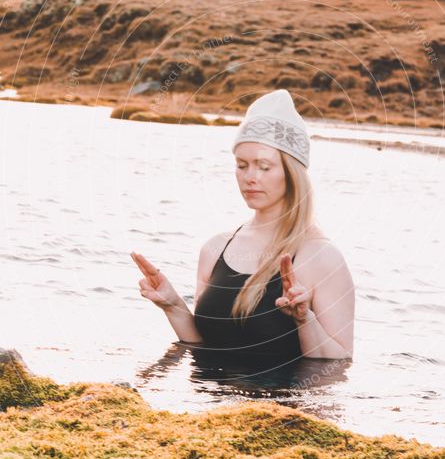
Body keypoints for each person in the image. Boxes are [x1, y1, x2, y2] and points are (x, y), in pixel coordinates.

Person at [131, 89, 355, 360]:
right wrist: (172, 305)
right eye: (242, 165)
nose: (250, 177)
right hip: (206, 402)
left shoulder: (321, 257)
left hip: (277, 402)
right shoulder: (215, 249)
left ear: (292, 173)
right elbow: (204, 345)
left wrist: (304, 320)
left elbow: (339, 361)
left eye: (264, 166)